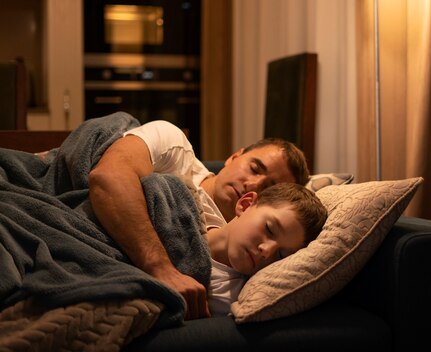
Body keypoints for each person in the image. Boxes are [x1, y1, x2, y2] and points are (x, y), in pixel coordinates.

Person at [88, 119, 312, 319]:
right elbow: (108, 176)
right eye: (254, 168)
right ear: (235, 156)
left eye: (268, 188)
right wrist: (161, 269)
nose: (252, 185)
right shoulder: (175, 149)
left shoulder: (238, 252)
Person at [203, 181, 326, 318]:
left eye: (281, 255)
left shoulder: (229, 299)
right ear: (246, 205)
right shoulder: (193, 204)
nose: (267, 251)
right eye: (269, 229)